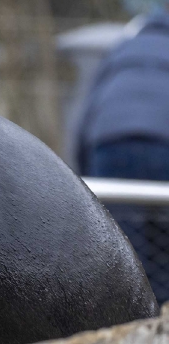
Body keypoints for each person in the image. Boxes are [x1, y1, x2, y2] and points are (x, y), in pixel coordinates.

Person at [78, 0, 169, 303]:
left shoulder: (121, 49)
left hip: (109, 145)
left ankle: (129, 317)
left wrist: (83, 180)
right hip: (163, 144)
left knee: (124, 253)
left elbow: (86, 114)